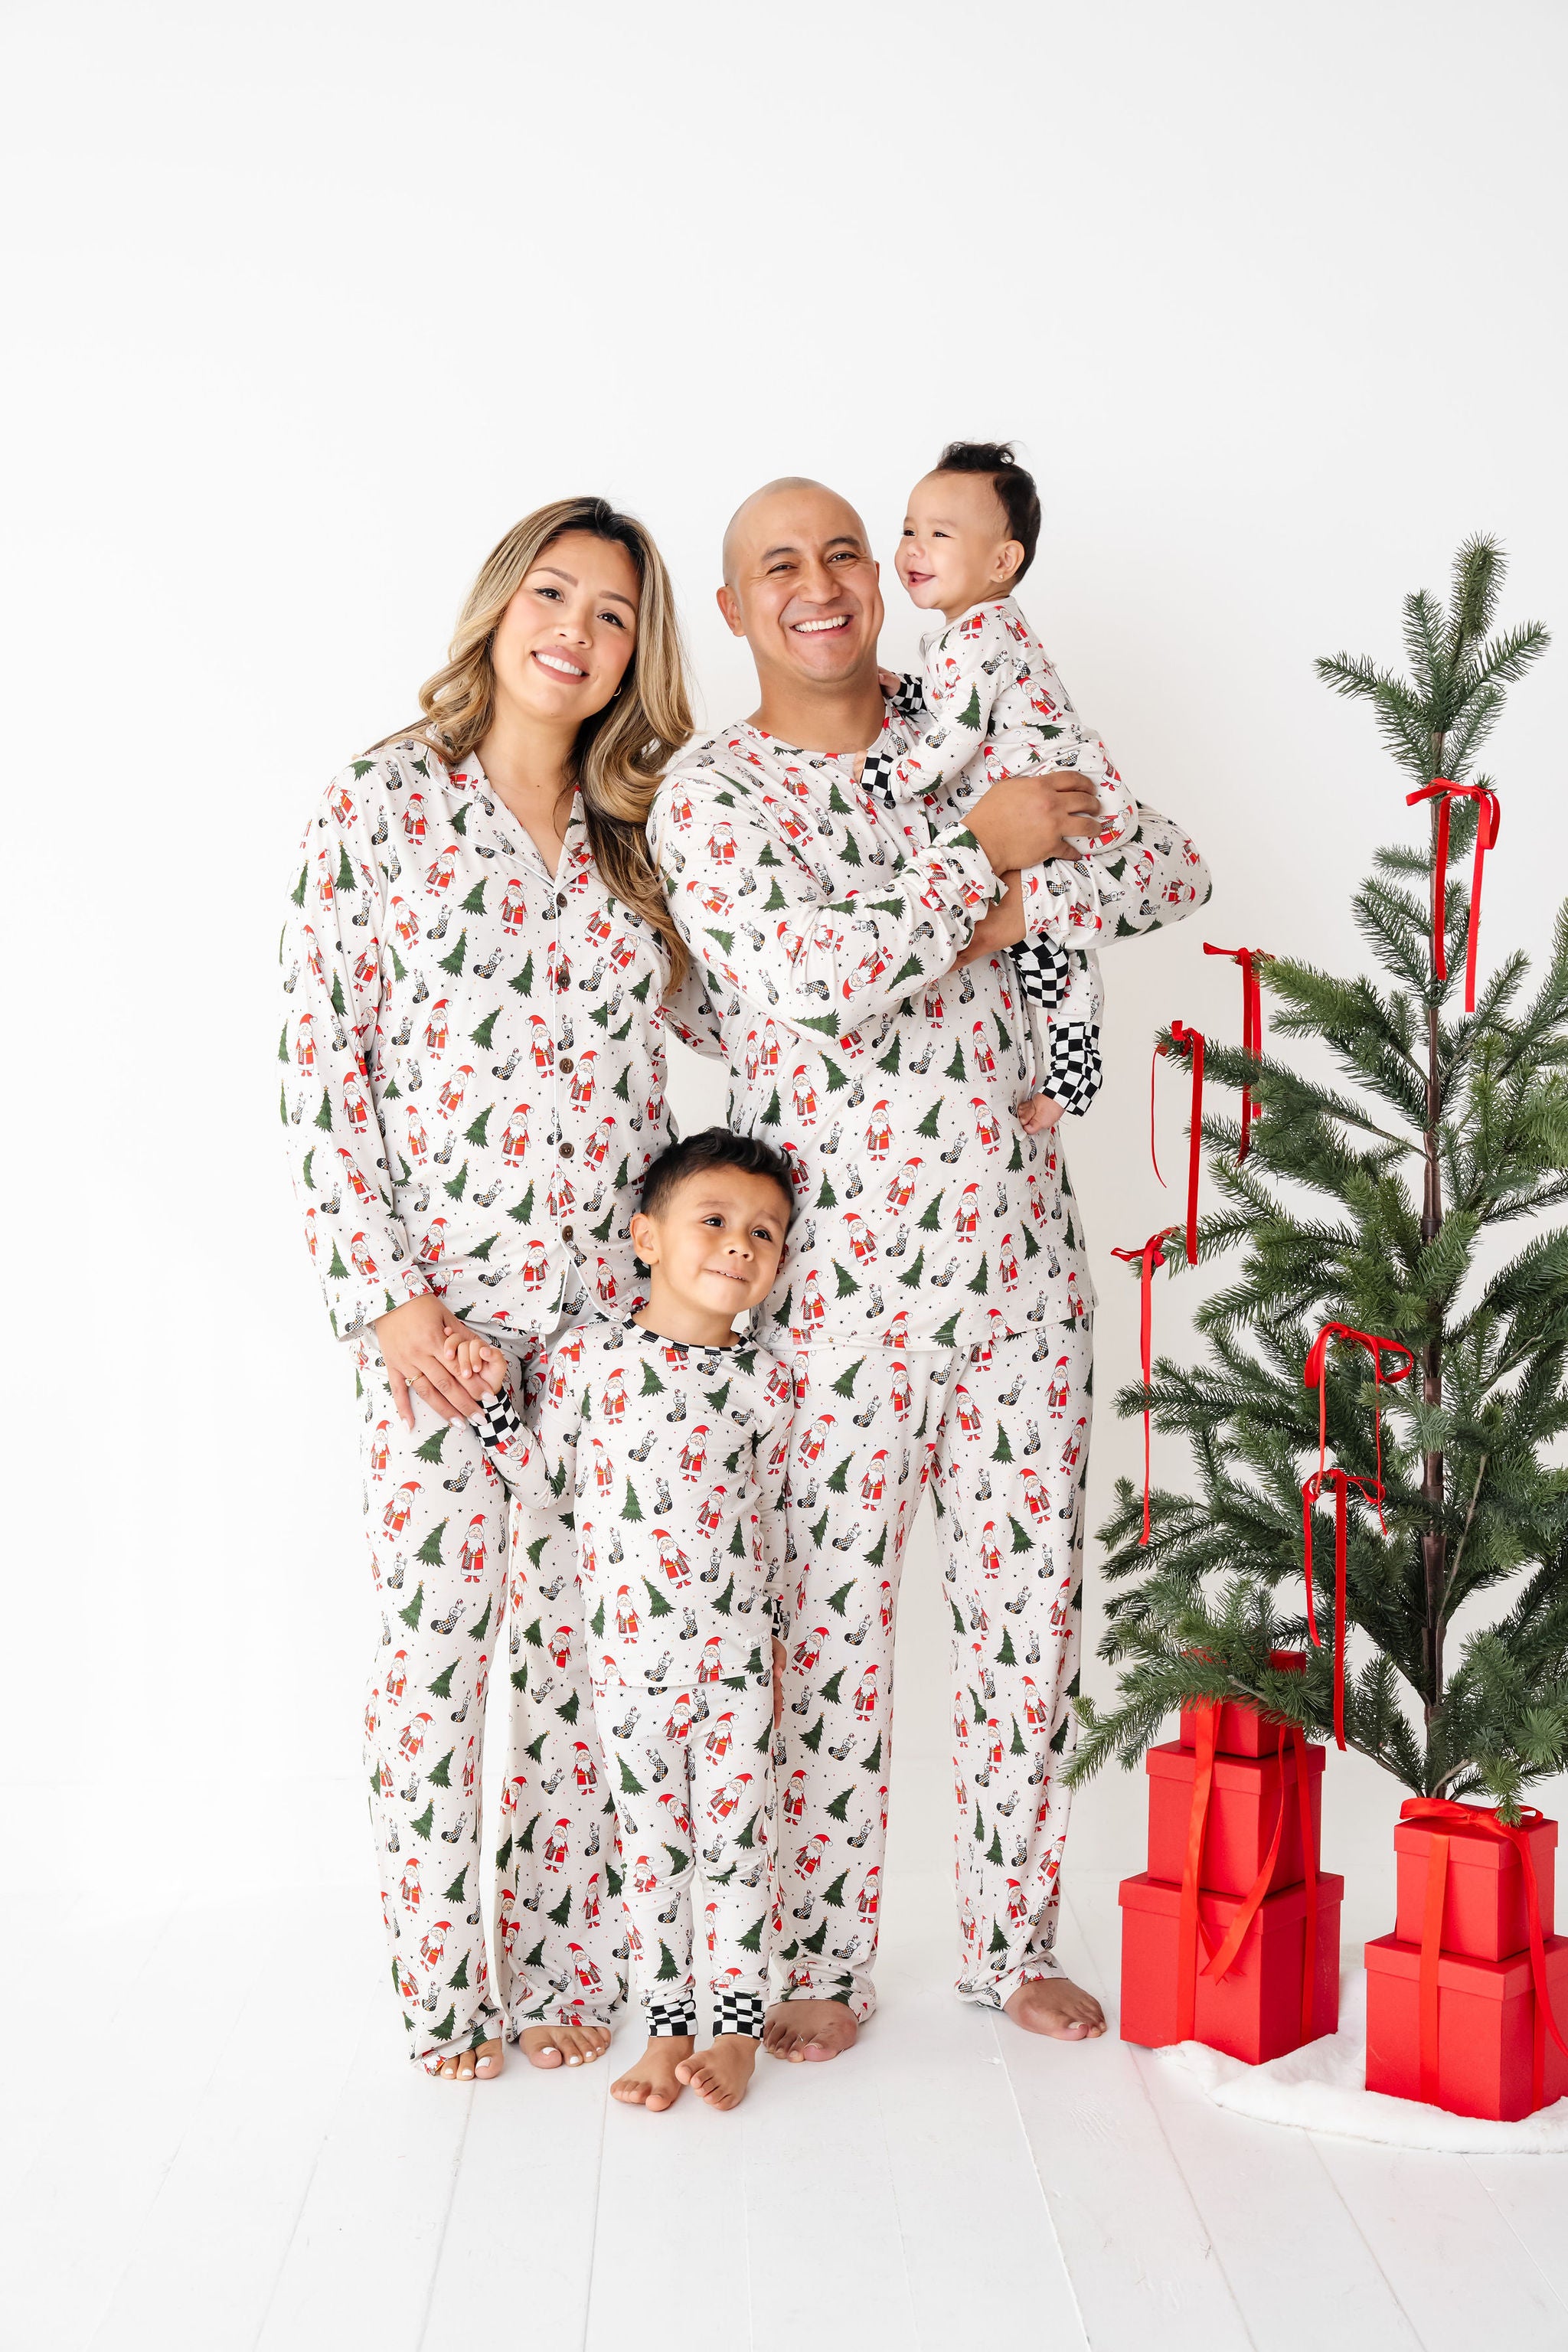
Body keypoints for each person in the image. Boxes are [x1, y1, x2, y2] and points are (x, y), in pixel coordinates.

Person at [649, 475, 1211, 2063]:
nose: (821, 581)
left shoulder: (973, 711)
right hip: (829, 1287)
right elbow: (805, 978)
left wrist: (988, 877)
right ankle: (818, 1956)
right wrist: (984, 866)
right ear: (734, 604)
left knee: (1027, 1618)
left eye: (845, 550)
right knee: (825, 1627)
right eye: (780, 563)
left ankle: (1007, 1942)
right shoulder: (713, 797)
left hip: (1019, 1265)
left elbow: (1164, 868)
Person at [279, 496, 720, 2079]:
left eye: (611, 614)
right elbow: (320, 1067)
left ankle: (559, 1967)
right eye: (553, 593)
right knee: (434, 1660)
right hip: (438, 1327)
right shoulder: (382, 801)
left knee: (580, 1661)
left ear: (634, 653)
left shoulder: (642, 836)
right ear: (499, 605)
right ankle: (440, 1991)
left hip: (607, 1325)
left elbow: (743, 1019)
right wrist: (390, 1302)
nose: (575, 633)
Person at [447, 1129, 796, 2112]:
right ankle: (666, 2027)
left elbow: (775, 1521)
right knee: (651, 1856)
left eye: (764, 1233)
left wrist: (774, 1645)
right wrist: (487, 1403)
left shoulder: (763, 1381)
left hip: (735, 1666)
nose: (739, 1245)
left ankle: (734, 2035)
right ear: (646, 1238)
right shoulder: (591, 1361)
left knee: (737, 1851)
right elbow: (544, 1481)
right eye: (715, 1221)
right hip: (631, 1669)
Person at [882, 439, 1137, 1135]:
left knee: (1056, 953)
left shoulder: (979, 634)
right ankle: (1068, 1067)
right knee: (1044, 948)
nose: (914, 548)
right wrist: (905, 691)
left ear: (1002, 562)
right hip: (1033, 801)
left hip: (1062, 797)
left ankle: (1073, 1072)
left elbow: (957, 735)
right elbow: (964, 706)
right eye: (908, 529)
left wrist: (892, 776)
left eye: (940, 534)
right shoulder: (971, 630)